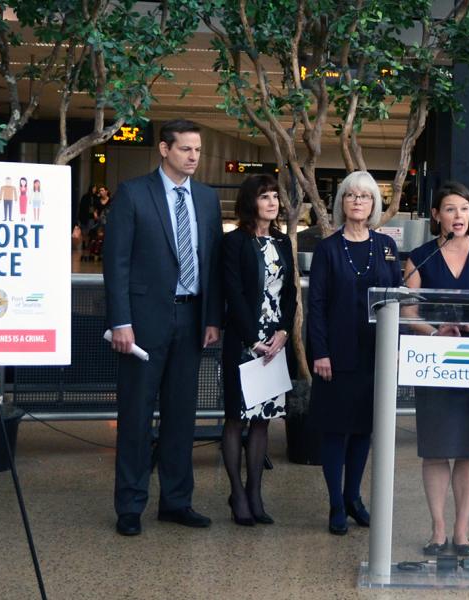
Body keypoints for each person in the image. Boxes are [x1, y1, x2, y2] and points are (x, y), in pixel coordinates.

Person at [104, 119, 223, 537]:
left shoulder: (207, 199)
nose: (193, 156)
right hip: (142, 323)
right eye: (185, 149)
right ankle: (131, 505)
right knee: (136, 415)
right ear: (164, 149)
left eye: (197, 149)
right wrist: (121, 321)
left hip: (192, 319)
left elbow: (211, 263)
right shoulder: (134, 193)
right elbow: (115, 262)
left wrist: (212, 317)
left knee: (181, 416)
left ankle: (176, 501)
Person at [403, 181, 469, 556]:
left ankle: (462, 531)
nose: (458, 216)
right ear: (436, 216)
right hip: (433, 360)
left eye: (463, 209)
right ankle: (438, 529)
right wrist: (435, 331)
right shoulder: (420, 257)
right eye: (449, 209)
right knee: (434, 448)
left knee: (468, 448)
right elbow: (407, 310)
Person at [308, 170, 401, 535]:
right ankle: (334, 503)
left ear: (375, 204)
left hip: (374, 354)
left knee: (364, 430)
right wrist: (320, 352)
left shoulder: (387, 247)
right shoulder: (327, 249)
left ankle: (353, 498)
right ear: (342, 202)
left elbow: (396, 299)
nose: (358, 201)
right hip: (336, 354)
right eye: (351, 195)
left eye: (365, 195)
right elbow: (315, 305)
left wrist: (395, 349)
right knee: (335, 430)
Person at [220, 174, 296, 526]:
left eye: (275, 197)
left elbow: (290, 294)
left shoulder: (282, 242)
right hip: (244, 341)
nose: (272, 202)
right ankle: (236, 492)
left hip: (275, 342)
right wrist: (253, 339)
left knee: (264, 420)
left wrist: (282, 332)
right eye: (265, 196)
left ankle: (255, 492)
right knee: (237, 418)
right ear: (251, 201)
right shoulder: (235, 241)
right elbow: (232, 294)